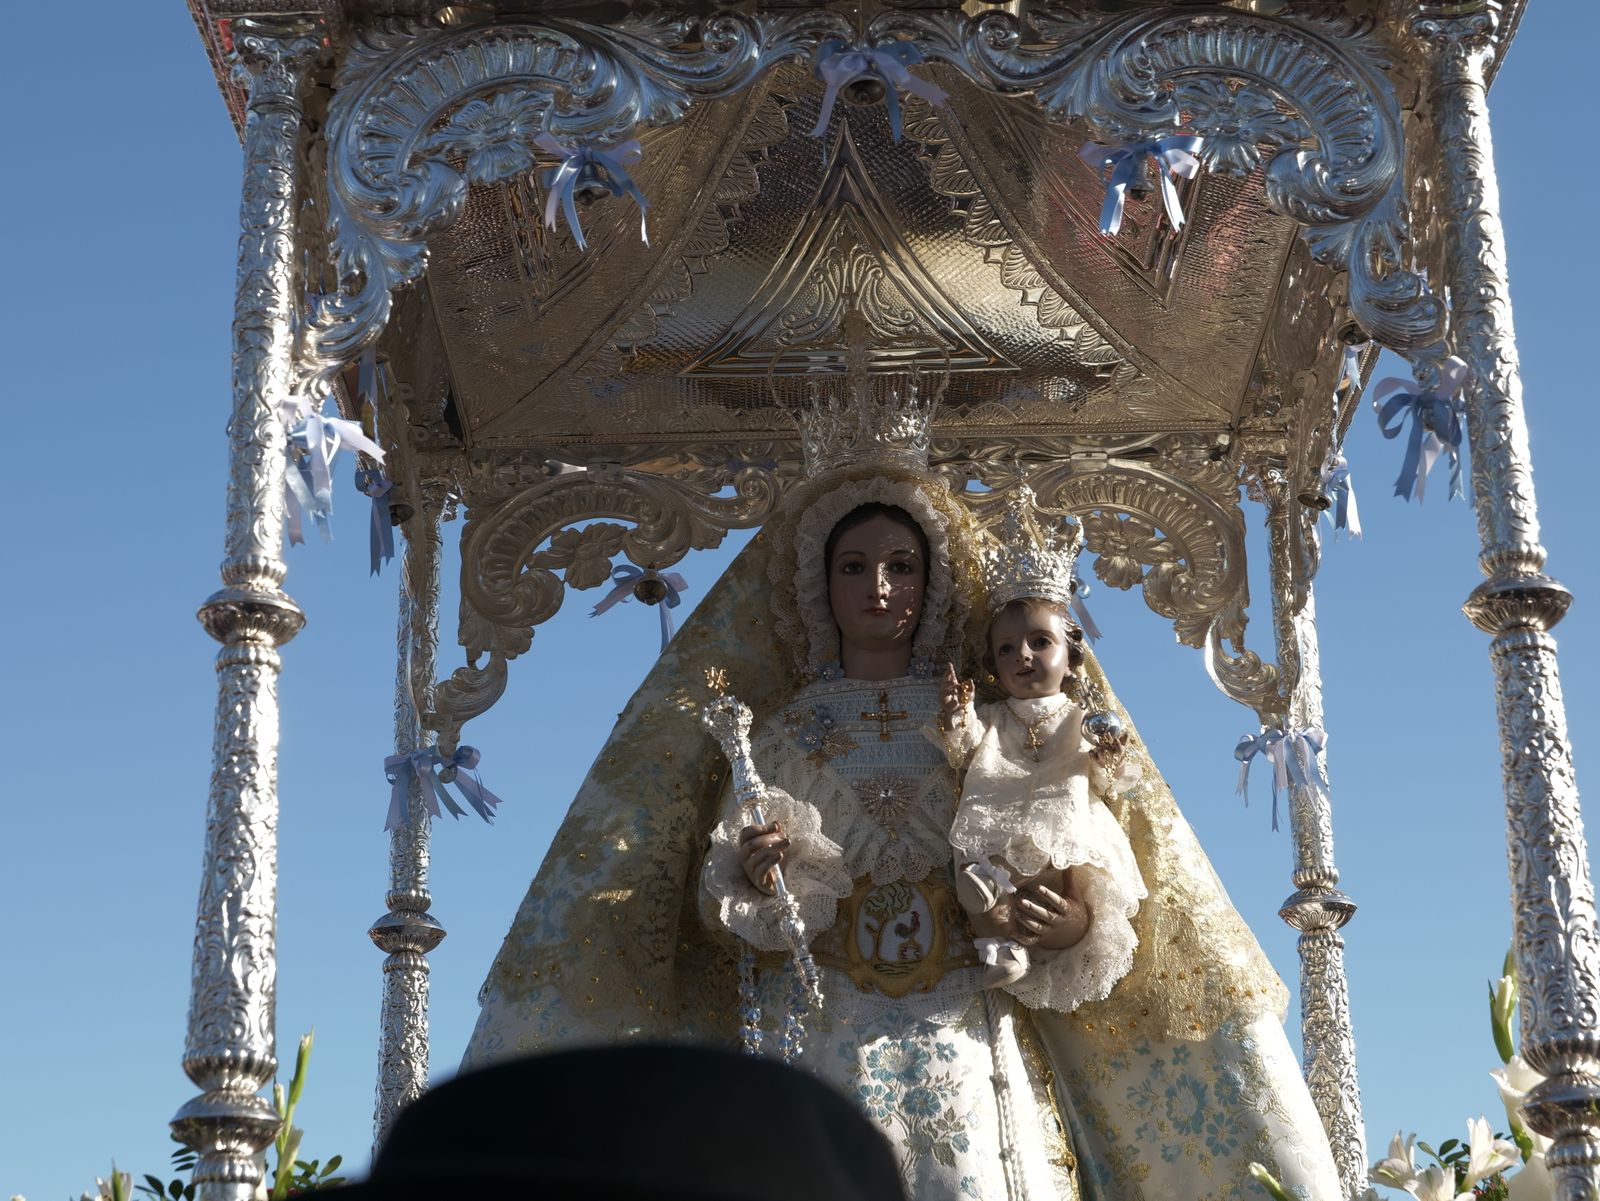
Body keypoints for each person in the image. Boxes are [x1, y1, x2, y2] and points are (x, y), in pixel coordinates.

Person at [466, 455, 1342, 1201]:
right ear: (819, 581)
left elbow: (1073, 827)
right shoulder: (778, 733)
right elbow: (725, 909)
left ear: (935, 580)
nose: (879, 588)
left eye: (900, 566)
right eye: (854, 566)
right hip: (821, 1038)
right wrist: (754, 872)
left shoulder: (1000, 723)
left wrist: (1073, 920)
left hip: (968, 1032)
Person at [928, 494, 1146, 999]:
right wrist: (956, 716)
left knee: (1064, 885)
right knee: (977, 874)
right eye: (1006, 649)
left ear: (1072, 657)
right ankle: (1000, 948)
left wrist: (1108, 760)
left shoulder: (1082, 717)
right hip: (996, 816)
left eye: (1038, 643)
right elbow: (964, 747)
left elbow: (1108, 780)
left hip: (1061, 818)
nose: (1021, 656)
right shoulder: (994, 716)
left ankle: (1058, 932)